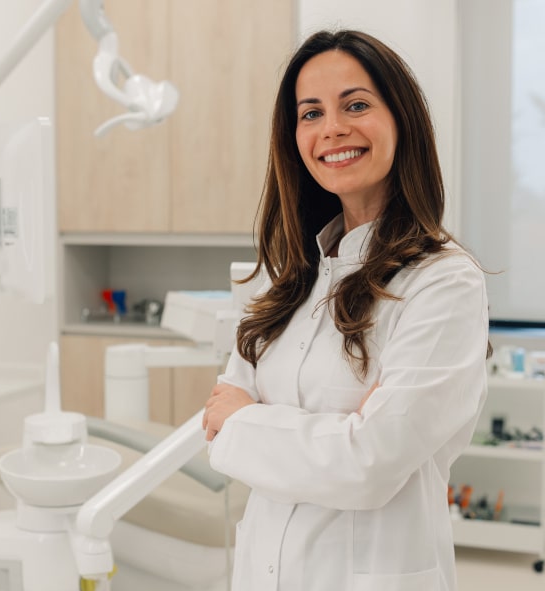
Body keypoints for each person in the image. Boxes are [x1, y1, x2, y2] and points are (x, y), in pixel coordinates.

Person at [202, 29, 489, 591]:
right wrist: (331, 432)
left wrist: (246, 421)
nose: (332, 128)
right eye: (311, 113)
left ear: (401, 120)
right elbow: (216, 421)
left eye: (356, 105)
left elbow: (370, 464)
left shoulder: (444, 281)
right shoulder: (291, 278)